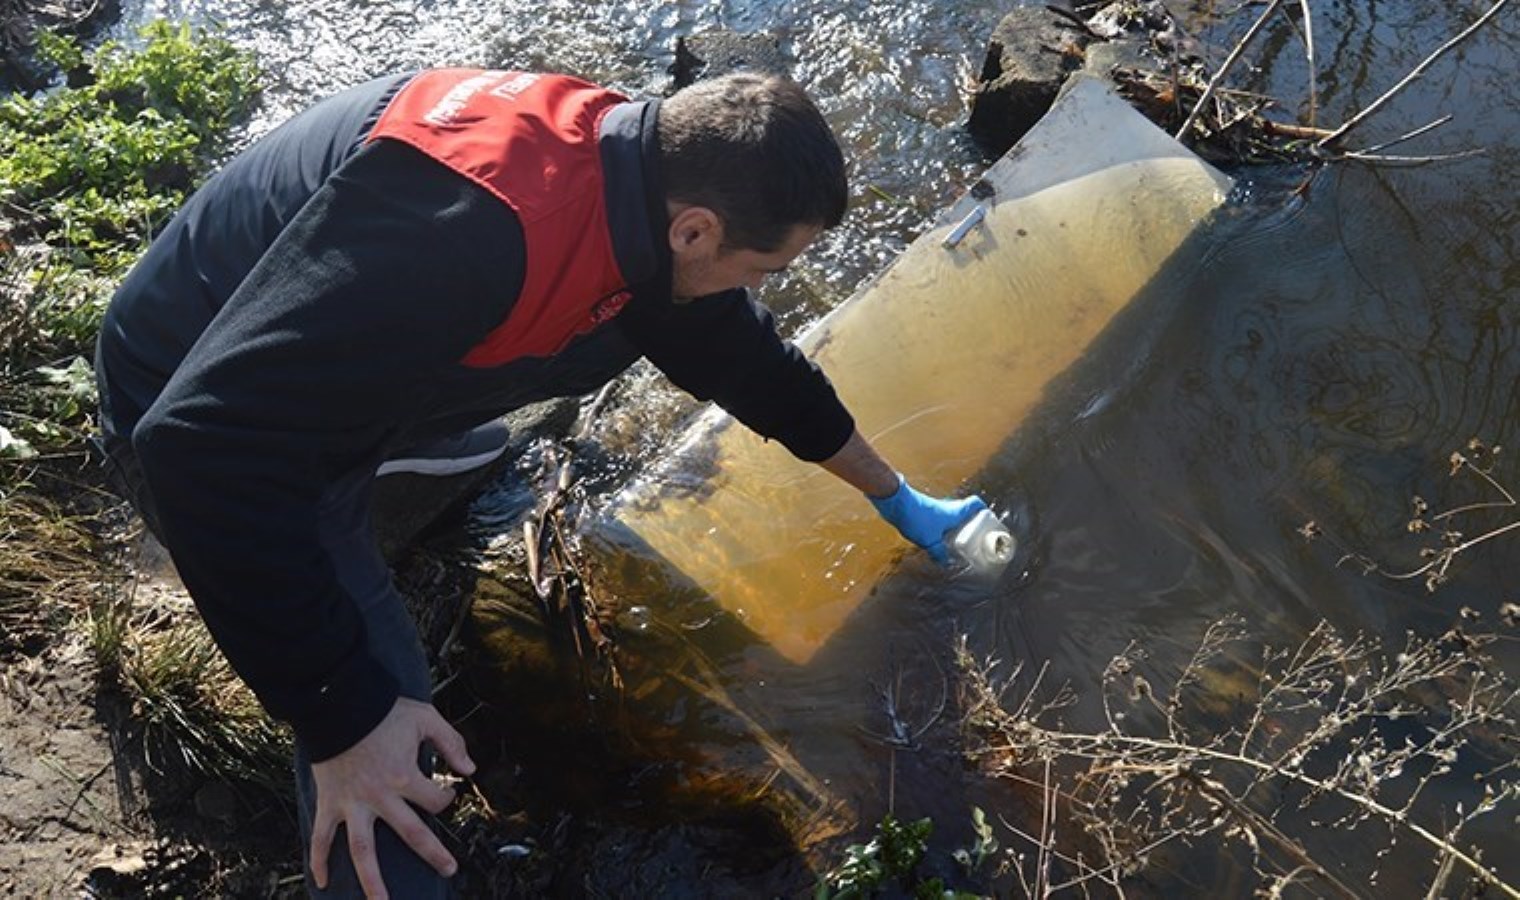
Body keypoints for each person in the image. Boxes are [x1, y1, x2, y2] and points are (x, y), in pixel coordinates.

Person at [94, 67, 986, 898]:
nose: (760, 288)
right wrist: (341, 716)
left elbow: (749, 361)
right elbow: (194, 443)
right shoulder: (462, 233)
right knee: (395, 768)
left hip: (329, 354)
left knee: (602, 339)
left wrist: (893, 495)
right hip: (195, 406)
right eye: (764, 269)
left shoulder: (642, 170)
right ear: (697, 230)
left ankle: (390, 452)